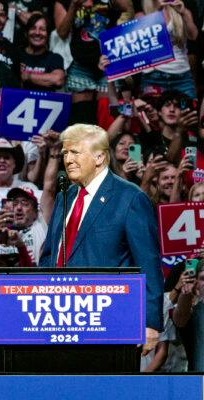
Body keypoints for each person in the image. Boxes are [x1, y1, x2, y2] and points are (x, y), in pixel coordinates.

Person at [39, 123, 164, 355]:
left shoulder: (130, 198)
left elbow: (148, 264)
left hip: (110, 321)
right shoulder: (64, 197)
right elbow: (48, 258)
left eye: (75, 152)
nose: (68, 159)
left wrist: (150, 323)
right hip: (56, 321)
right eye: (65, 153)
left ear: (99, 157)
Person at [19, 13, 66, 91]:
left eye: (42, 29)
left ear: (48, 35)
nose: (37, 33)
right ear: (26, 33)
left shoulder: (54, 58)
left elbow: (58, 80)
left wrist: (26, 76)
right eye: (33, 28)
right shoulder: (16, 54)